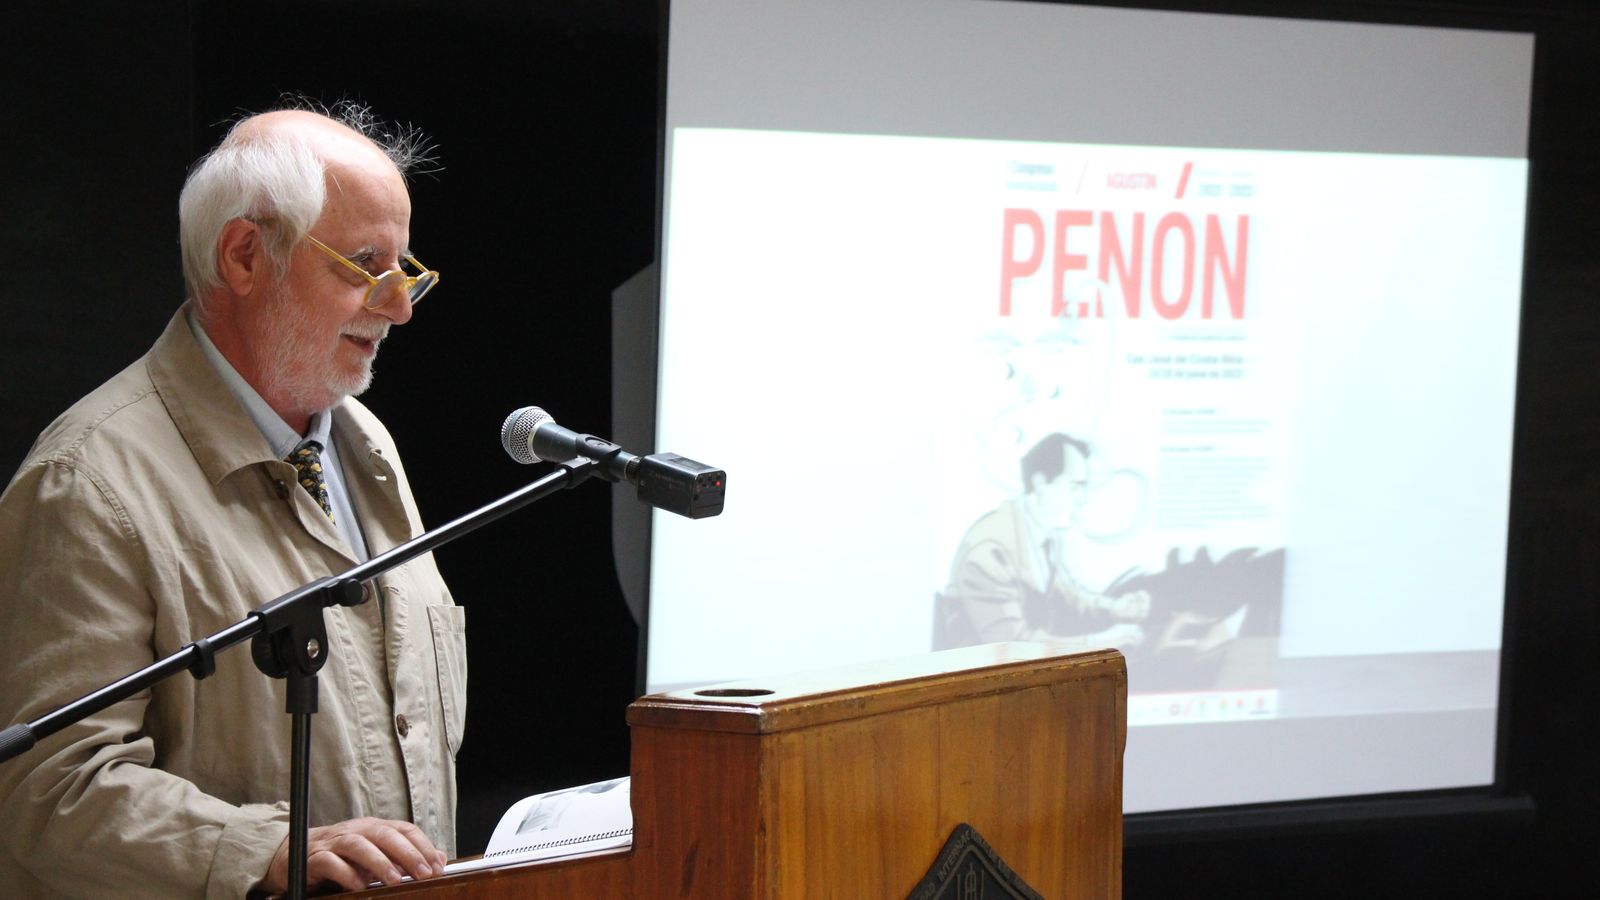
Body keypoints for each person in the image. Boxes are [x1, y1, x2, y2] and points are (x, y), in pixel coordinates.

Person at [0, 104, 465, 897]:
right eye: (363, 266)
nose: (399, 307)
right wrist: (265, 850)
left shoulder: (366, 445)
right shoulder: (88, 480)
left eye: (406, 268)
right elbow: (47, 789)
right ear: (247, 256)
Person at [937, 433, 1148, 650]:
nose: (1081, 499)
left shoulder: (1039, 534)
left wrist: (1114, 607)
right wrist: (1099, 643)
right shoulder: (990, 551)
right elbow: (1012, 645)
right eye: (1075, 487)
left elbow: (1069, 596)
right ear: (1040, 483)